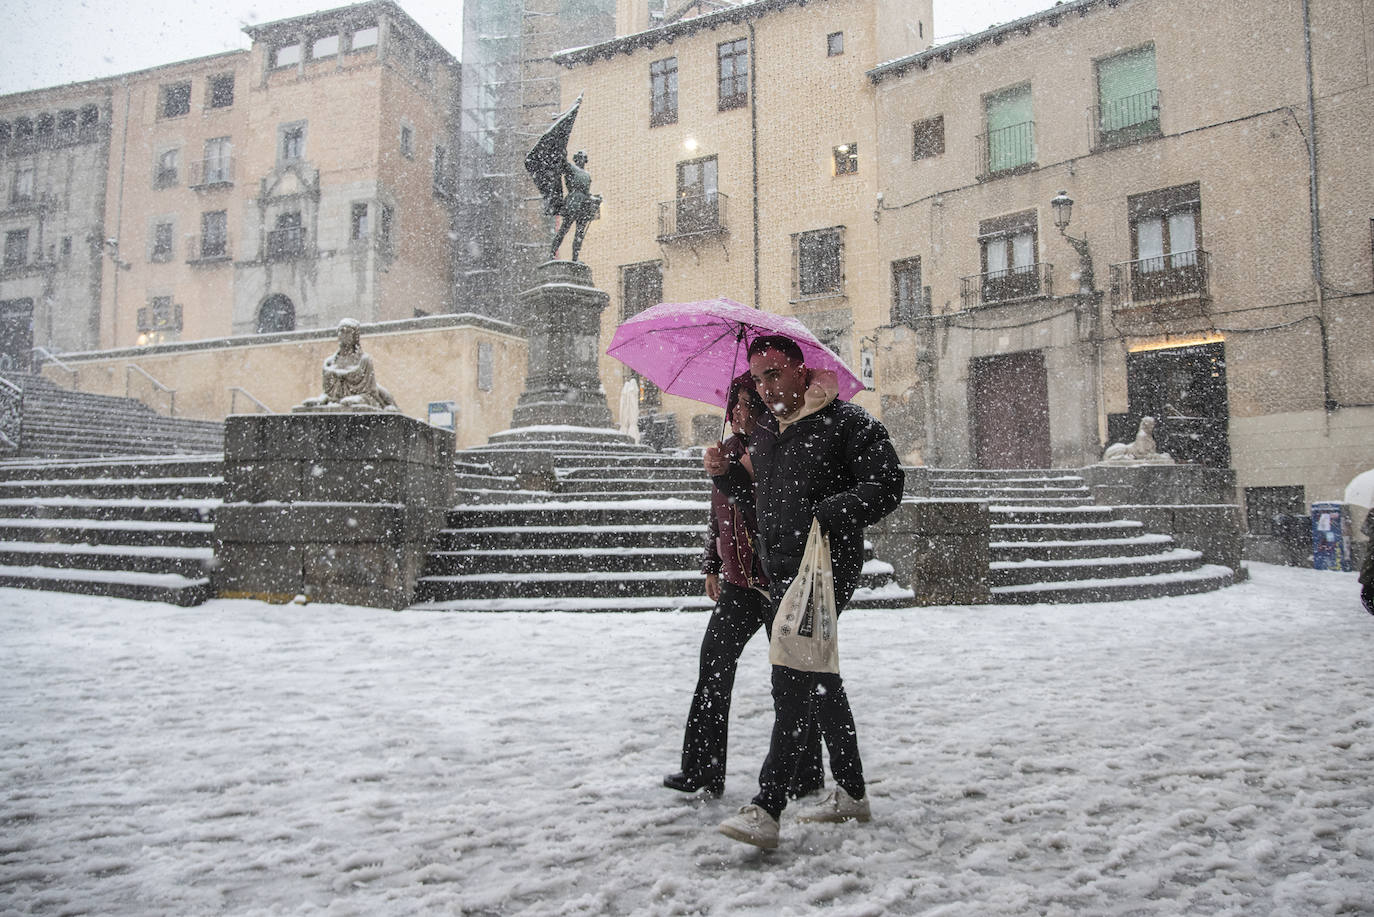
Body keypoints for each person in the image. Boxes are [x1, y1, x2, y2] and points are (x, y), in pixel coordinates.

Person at [706, 335, 905, 849]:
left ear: (800, 370)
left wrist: (830, 511)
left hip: (826, 568)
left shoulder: (846, 422)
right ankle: (852, 792)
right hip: (782, 573)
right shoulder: (768, 432)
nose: (766, 386)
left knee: (791, 679)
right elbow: (757, 499)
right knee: (817, 677)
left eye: (774, 373)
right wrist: (726, 479)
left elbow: (886, 483)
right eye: (758, 377)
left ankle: (767, 806)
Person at [664, 374, 823, 799]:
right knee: (712, 668)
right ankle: (701, 768)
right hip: (738, 583)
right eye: (733, 405)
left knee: (789, 683)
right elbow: (717, 518)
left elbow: (767, 506)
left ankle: (804, 776)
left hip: (777, 583)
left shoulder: (779, 451)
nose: (737, 413)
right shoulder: (728, 451)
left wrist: (732, 475)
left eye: (746, 404)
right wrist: (711, 564)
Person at [549, 150, 600, 262]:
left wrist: (595, 199)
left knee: (579, 234)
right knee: (564, 229)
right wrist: (561, 150)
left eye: (583, 158)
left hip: (584, 204)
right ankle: (553, 252)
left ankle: (575, 258)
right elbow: (562, 162)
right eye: (580, 158)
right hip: (573, 202)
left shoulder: (587, 175)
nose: (581, 160)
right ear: (576, 159)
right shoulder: (571, 169)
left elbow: (587, 193)